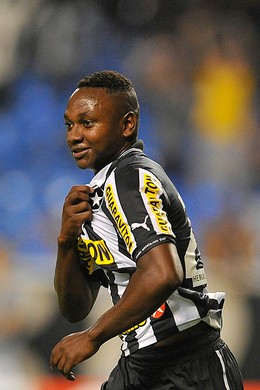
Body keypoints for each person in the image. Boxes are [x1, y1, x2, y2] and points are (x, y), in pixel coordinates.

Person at [50, 70, 244, 389]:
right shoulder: (97, 193)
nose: (74, 136)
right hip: (141, 365)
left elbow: (162, 272)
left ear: (127, 124)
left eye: (87, 123)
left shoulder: (132, 180)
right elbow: (75, 307)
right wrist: (66, 241)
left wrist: (92, 337)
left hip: (189, 366)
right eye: (69, 125)